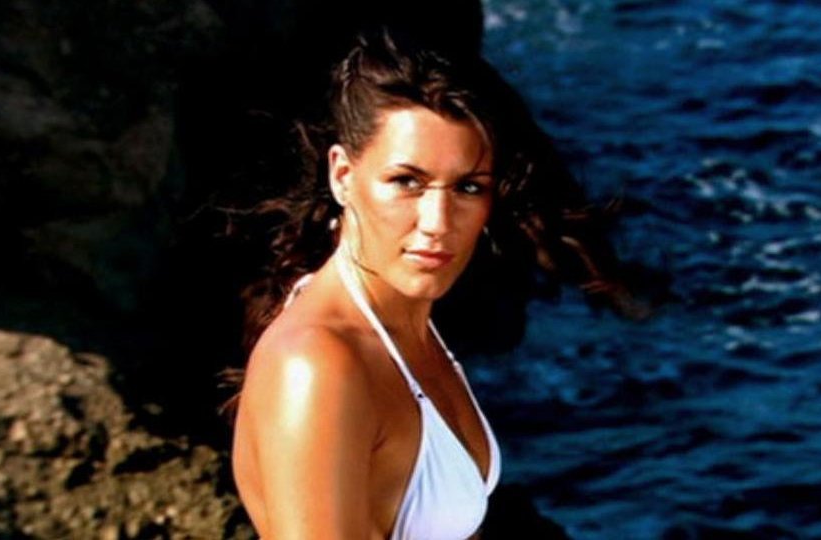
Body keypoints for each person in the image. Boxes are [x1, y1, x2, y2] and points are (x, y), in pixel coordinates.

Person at [228, 27, 634, 539]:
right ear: (343, 176)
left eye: (468, 187)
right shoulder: (317, 366)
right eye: (407, 182)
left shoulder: (405, 328)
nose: (438, 222)